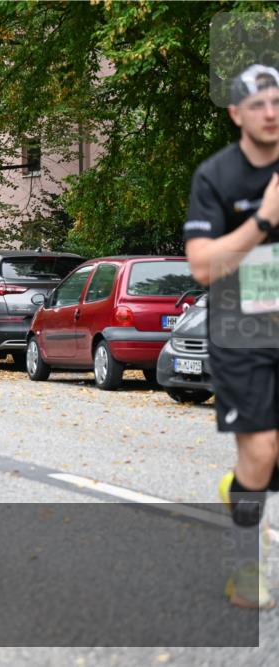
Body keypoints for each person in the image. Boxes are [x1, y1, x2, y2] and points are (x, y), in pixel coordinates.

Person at [184, 63, 279, 609]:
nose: (270, 113)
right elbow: (202, 266)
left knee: (264, 464)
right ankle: (246, 569)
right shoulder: (216, 176)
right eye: (258, 104)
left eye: (277, 102)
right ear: (236, 114)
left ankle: (242, 486)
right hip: (242, 331)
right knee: (261, 448)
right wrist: (263, 219)